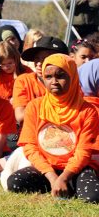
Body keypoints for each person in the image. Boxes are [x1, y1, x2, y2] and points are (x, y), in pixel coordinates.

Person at [6, 54, 99, 202]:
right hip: (47, 167)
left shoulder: (87, 111)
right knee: (15, 183)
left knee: (92, 197)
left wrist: (64, 176)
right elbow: (30, 147)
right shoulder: (35, 106)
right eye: (48, 77)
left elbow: (84, 151)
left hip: (77, 168)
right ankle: (57, 185)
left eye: (61, 76)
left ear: (73, 77)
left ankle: (65, 184)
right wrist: (52, 176)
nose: (54, 81)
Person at [12, 36, 69, 125]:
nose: (38, 63)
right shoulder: (24, 81)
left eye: (45, 59)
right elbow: (20, 116)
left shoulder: (70, 83)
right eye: (36, 59)